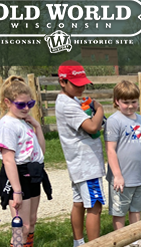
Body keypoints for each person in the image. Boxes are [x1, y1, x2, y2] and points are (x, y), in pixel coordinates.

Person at [55, 60, 106, 247]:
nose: (81, 88)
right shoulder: (68, 105)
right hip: (87, 165)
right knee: (94, 206)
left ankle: (79, 242)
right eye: (76, 85)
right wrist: (100, 109)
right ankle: (95, 245)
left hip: (78, 164)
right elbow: (93, 127)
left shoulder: (67, 100)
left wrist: (88, 105)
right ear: (63, 82)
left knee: (79, 203)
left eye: (83, 83)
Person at [0, 76, 48, 247]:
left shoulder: (23, 122)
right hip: (17, 175)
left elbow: (41, 152)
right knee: (21, 227)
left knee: (31, 221)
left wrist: (37, 127)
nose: (26, 108)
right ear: (7, 102)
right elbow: (8, 160)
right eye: (21, 104)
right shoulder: (7, 125)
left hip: (32, 173)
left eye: (29, 104)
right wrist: (16, 190)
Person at [104, 80, 141, 247]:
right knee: (119, 212)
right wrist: (118, 176)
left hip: (139, 176)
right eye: (125, 102)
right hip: (121, 179)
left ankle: (137, 239)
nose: (130, 106)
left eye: (133, 101)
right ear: (117, 101)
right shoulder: (114, 121)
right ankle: (122, 241)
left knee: (136, 210)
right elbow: (110, 150)